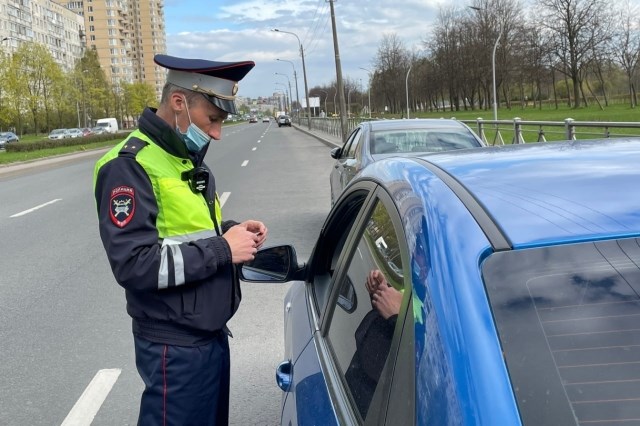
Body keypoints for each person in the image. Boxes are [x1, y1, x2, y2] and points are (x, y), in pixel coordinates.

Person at [93, 54, 267, 425]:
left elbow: (186, 233)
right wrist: (223, 249)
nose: (217, 133)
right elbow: (134, 263)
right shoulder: (129, 165)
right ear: (178, 103)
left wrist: (234, 233)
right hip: (175, 347)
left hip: (209, 338)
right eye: (213, 120)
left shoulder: (185, 159)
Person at [345, 268, 403, 418]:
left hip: (379, 401)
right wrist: (384, 294)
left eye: (421, 252)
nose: (416, 255)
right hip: (361, 382)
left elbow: (422, 360)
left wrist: (398, 318)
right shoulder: (426, 285)